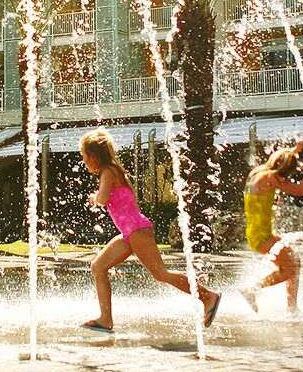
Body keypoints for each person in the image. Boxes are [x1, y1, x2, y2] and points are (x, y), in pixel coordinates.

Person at [79, 128, 221, 334]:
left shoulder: (109, 172)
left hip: (136, 230)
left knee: (160, 274)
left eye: (84, 157)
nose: (84, 162)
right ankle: (105, 319)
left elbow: (101, 199)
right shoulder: (113, 170)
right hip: (130, 233)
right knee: (98, 266)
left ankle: (208, 297)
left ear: (93, 156)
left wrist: (94, 198)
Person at [239, 140, 303, 314]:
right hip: (261, 237)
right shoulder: (271, 178)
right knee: (289, 269)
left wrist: (295, 150)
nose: (285, 178)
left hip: (260, 233)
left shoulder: (258, 172)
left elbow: (280, 159)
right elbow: (301, 190)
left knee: (294, 263)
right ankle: (252, 289)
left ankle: (292, 307)